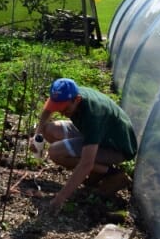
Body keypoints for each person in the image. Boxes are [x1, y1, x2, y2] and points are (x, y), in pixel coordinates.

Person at [31, 78, 138, 214]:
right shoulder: (70, 93)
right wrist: (37, 136)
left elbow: (86, 163)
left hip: (116, 147)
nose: (61, 112)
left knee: (55, 152)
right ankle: (97, 171)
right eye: (58, 107)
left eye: (64, 108)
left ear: (77, 100)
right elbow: (48, 109)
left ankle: (113, 174)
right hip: (94, 134)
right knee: (49, 130)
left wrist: (60, 198)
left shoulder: (93, 115)